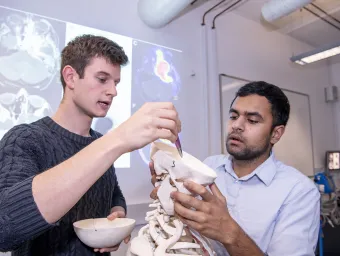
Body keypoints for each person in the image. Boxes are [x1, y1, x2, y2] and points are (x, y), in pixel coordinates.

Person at [0, 34, 181, 256]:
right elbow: (5, 227)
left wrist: (117, 215)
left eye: (116, 83)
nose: (113, 91)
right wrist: (118, 138)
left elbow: (113, 194)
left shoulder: (100, 142)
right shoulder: (25, 139)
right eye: (102, 79)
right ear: (71, 77)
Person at [150, 81, 320, 255]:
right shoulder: (210, 166)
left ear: (275, 134)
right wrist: (170, 193)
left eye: (252, 120)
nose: (236, 125)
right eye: (233, 116)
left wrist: (230, 233)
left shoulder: (299, 192)